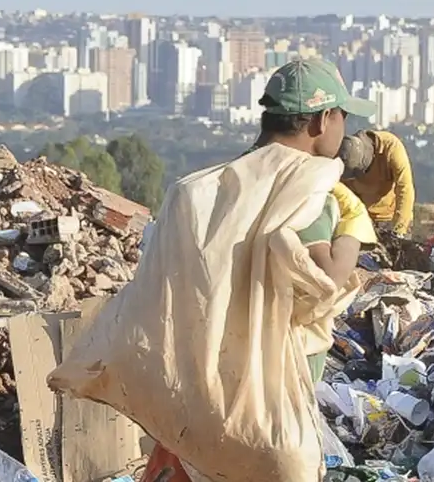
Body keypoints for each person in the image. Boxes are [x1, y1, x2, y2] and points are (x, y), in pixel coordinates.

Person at [142, 58, 378, 482]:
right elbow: (324, 279)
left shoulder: (208, 188)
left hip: (201, 385)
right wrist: (353, 229)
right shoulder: (306, 189)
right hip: (270, 395)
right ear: (324, 120)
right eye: (344, 116)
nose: (345, 128)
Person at [338, 129, 415, 236]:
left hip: (391, 217)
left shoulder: (391, 147)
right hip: (363, 219)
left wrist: (399, 229)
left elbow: (405, 187)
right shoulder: (345, 156)